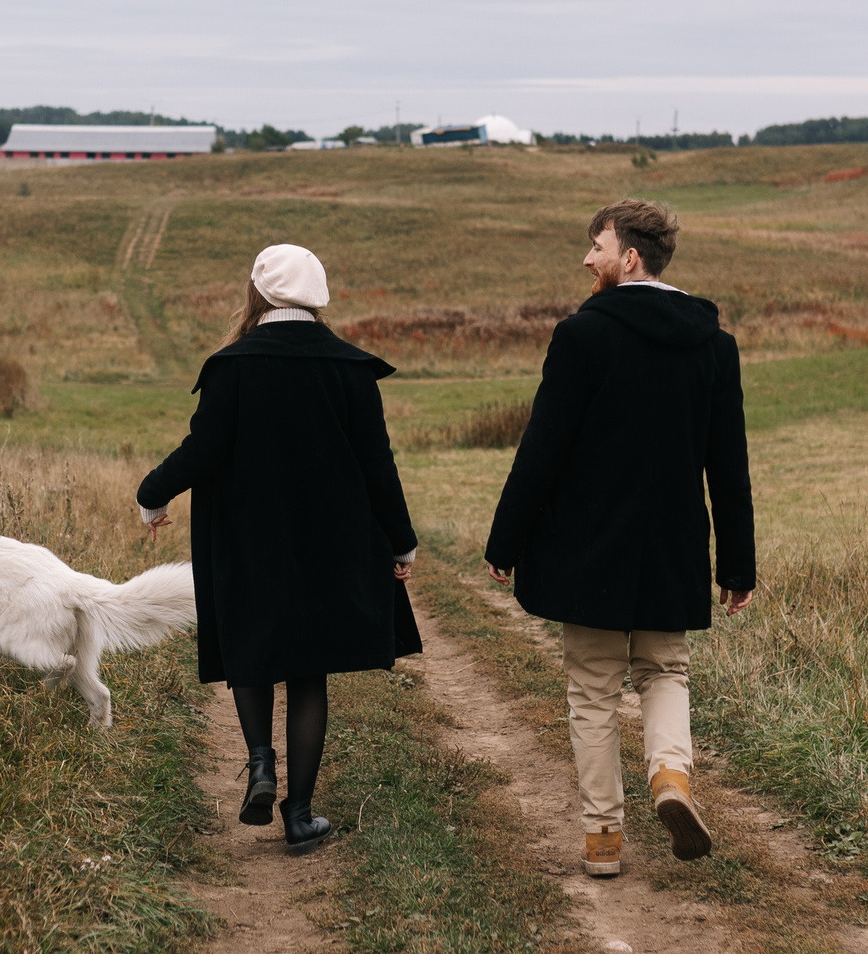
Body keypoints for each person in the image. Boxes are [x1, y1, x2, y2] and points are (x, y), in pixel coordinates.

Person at [483, 198, 755, 879]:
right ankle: (669, 773)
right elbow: (728, 462)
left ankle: (604, 836)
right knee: (665, 671)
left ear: (628, 257)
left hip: (589, 545)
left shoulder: (583, 336)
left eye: (596, 246)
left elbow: (543, 448)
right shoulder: (713, 344)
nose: (587, 259)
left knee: (593, 691)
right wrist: (738, 563)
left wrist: (505, 541)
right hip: (673, 547)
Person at [137, 244, 421, 853]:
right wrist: (401, 542)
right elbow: (378, 464)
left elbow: (202, 449)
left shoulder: (232, 365)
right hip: (329, 546)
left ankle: (261, 765)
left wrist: (152, 495)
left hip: (249, 542)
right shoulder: (350, 367)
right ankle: (300, 815)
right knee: (307, 671)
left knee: (252, 651)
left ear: (257, 294)